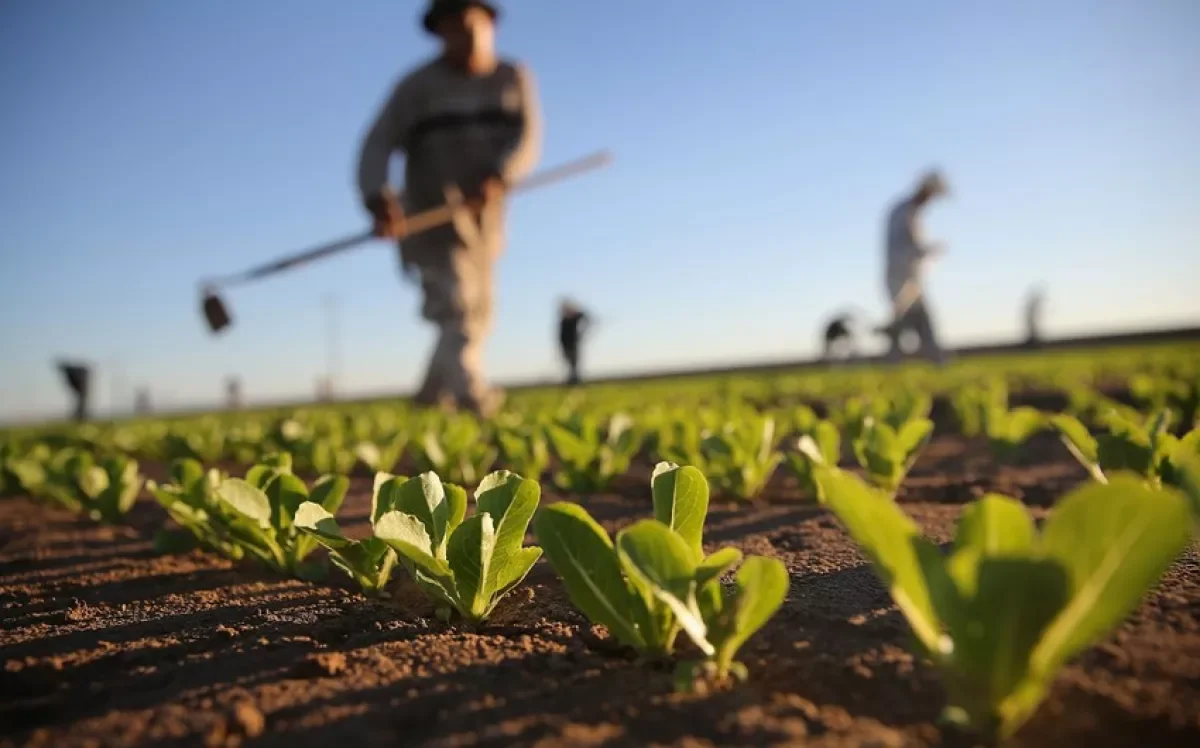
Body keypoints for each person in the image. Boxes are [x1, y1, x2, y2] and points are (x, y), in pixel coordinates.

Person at [357, 0, 542, 417]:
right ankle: (473, 399)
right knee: (456, 307)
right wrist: (377, 196)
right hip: (430, 217)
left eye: (470, 25)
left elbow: (527, 138)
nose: (463, 36)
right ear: (438, 33)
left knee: (478, 313)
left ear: (490, 24)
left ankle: (427, 399)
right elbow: (377, 143)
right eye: (452, 28)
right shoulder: (416, 88)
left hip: (485, 221)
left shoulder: (513, 78)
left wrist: (502, 174)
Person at [881, 170, 949, 364]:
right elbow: (907, 246)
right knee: (906, 321)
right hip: (901, 278)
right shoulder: (905, 212)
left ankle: (934, 360)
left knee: (916, 321)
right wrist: (930, 250)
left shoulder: (909, 211)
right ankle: (932, 361)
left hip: (910, 278)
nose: (932, 200)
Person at [558, 299, 591, 385]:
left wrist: (582, 331)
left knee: (574, 364)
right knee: (570, 365)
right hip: (565, 346)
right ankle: (572, 380)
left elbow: (586, 317)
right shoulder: (563, 320)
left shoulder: (575, 317)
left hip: (573, 344)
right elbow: (561, 336)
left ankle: (575, 381)